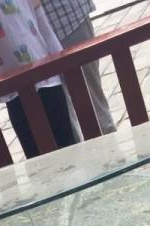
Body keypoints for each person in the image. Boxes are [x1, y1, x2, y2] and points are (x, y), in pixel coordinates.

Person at [0, 0, 78, 159]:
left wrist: (65, 66)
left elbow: (46, 32)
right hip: (14, 91)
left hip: (47, 79)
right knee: (35, 155)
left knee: (67, 146)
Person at [43, 0, 114, 134]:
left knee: (92, 101)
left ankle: (109, 140)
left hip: (66, 17)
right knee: (62, 109)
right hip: (33, 31)